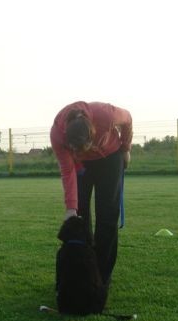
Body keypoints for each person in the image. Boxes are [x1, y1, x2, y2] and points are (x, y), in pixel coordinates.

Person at [50, 101, 132, 285]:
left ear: (92, 134)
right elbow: (67, 171)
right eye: (74, 149)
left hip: (110, 157)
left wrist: (126, 149)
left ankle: (101, 278)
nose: (80, 152)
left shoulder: (106, 114)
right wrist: (71, 208)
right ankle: (81, 274)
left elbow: (127, 119)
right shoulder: (57, 134)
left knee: (107, 217)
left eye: (83, 148)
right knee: (80, 217)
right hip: (80, 167)